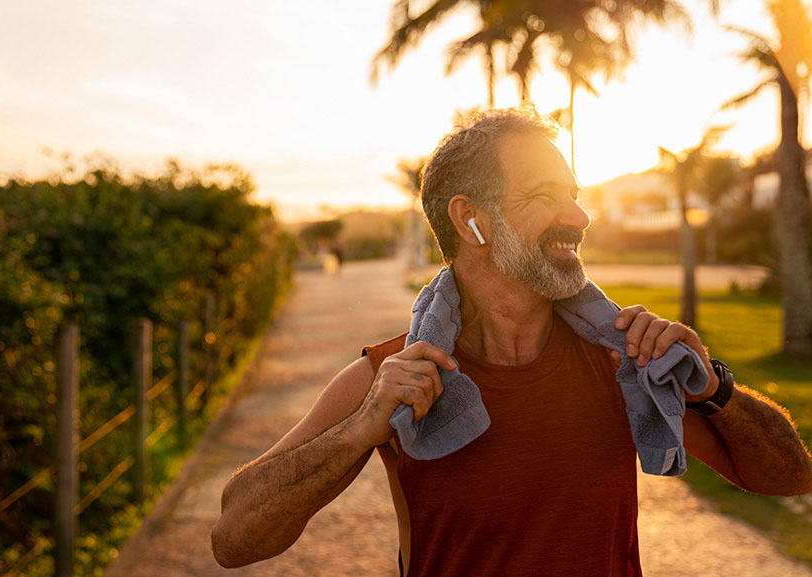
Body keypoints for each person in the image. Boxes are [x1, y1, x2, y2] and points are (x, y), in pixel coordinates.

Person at [211, 105, 812, 576]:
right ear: (471, 218)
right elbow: (234, 539)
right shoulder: (389, 378)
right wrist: (363, 427)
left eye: (574, 195)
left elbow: (791, 476)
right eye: (545, 194)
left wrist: (712, 387)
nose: (578, 216)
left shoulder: (624, 361)